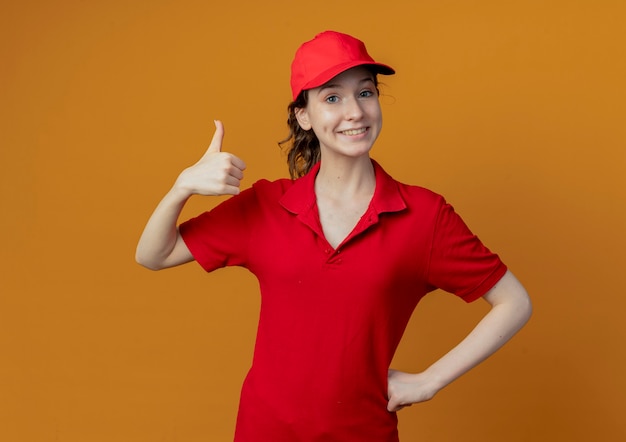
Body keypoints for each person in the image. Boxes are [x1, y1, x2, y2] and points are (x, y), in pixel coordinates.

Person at [136, 30, 532, 442]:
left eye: (365, 93)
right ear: (303, 115)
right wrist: (182, 187)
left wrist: (429, 381)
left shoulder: (423, 217)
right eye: (331, 98)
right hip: (263, 431)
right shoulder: (266, 205)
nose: (355, 112)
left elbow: (514, 301)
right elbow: (154, 254)